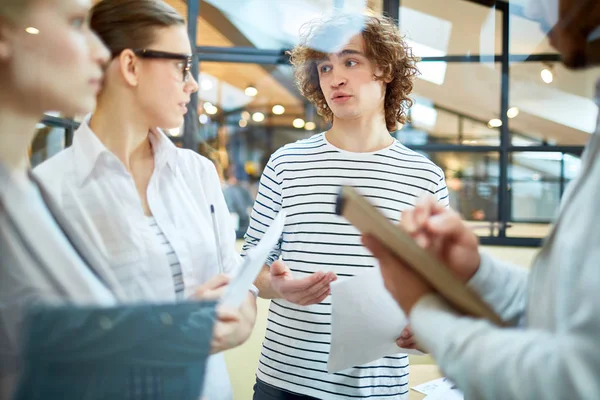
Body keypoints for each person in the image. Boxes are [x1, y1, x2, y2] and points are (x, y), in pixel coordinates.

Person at [362, 0, 600, 399]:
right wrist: (477, 272)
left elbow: (573, 376)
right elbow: (568, 316)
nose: (530, 13)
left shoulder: (422, 170)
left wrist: (426, 313)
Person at [33, 1, 256, 399]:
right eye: (180, 66)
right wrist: (172, 329)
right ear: (131, 66)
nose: (192, 84)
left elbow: (234, 276)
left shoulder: (198, 173)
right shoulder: (50, 191)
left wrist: (241, 317)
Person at [242, 12, 449, 400]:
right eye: (324, 67)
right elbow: (253, 268)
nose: (335, 78)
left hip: (378, 389)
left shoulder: (425, 177)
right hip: (285, 383)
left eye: (350, 62)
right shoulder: (286, 163)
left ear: (385, 69)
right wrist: (276, 285)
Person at [222, 165, 254, 239]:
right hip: (236, 226)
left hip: (240, 226)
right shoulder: (227, 190)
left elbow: (251, 206)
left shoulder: (243, 189)